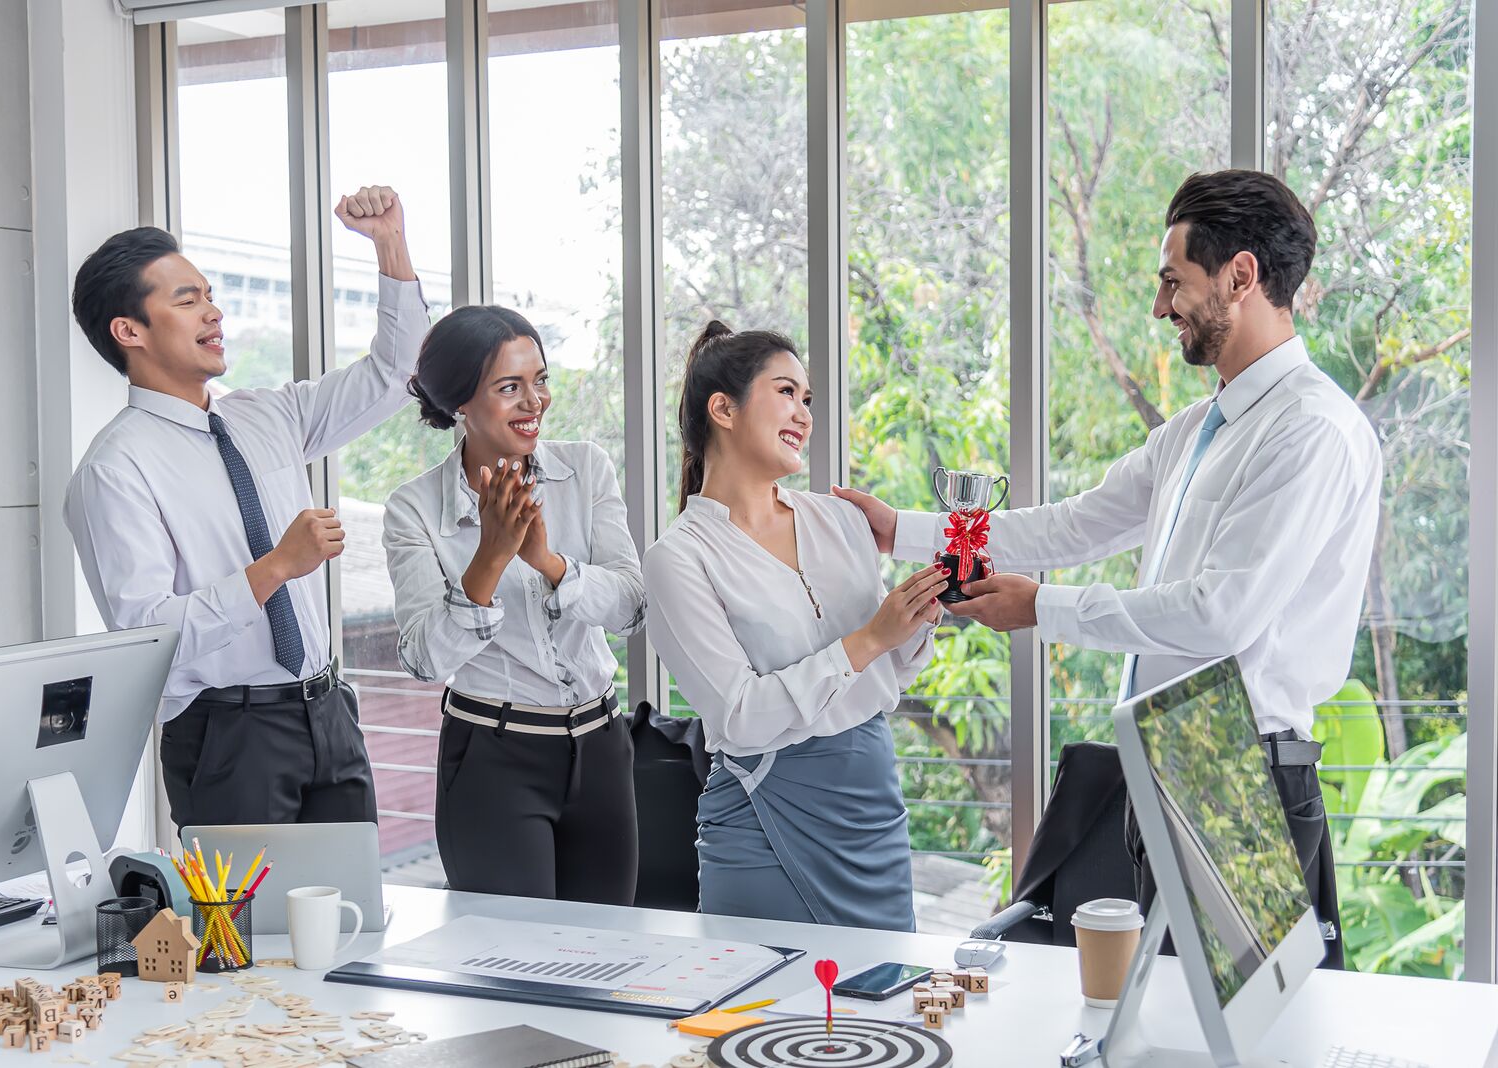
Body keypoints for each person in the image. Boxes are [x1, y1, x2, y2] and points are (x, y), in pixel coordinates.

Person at [834, 170, 1381, 967]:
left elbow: (1218, 614)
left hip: (1239, 773)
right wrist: (904, 532)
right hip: (1169, 758)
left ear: (1241, 275)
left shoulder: (1312, 431)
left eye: (1173, 282)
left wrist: (1042, 610)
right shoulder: (1200, 426)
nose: (1161, 307)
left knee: (1255, 1036)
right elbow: (1076, 522)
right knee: (1160, 1012)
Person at [65, 185, 429, 831]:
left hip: (327, 711)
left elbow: (398, 370)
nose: (214, 312)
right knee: (247, 932)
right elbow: (149, 637)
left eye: (209, 295)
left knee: (350, 922)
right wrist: (277, 567)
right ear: (130, 331)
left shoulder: (268, 416)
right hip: (227, 735)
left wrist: (388, 243)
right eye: (187, 300)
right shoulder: (115, 469)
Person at [642, 321, 949, 932]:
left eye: (807, 399)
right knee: (765, 1014)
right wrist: (868, 640)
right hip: (763, 813)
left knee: (884, 1008)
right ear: (723, 409)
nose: (804, 414)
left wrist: (919, 617)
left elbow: (892, 666)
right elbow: (737, 717)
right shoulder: (679, 557)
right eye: (786, 393)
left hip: (871, 801)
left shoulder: (841, 519)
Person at [382, 305, 645, 904]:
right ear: (460, 405)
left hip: (602, 746)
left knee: (607, 954)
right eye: (510, 388)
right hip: (492, 758)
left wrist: (548, 563)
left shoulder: (585, 470)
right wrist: (490, 558)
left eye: (540, 380)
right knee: (512, 964)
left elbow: (630, 608)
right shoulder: (414, 509)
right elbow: (424, 659)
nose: (536, 402)